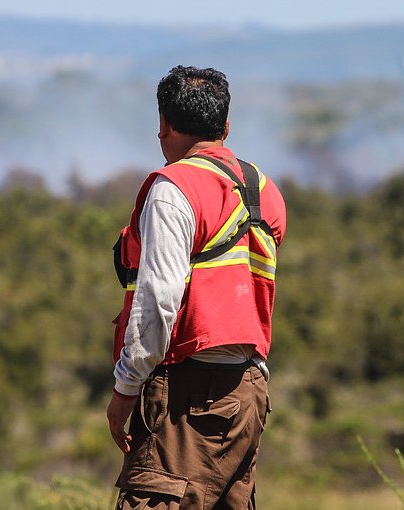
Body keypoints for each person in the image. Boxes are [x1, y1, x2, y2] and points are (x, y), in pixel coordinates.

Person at [106, 65, 287, 509]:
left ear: (163, 124)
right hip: (248, 392)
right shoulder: (264, 191)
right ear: (225, 126)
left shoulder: (174, 189)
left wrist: (125, 391)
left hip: (189, 396)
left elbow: (159, 301)